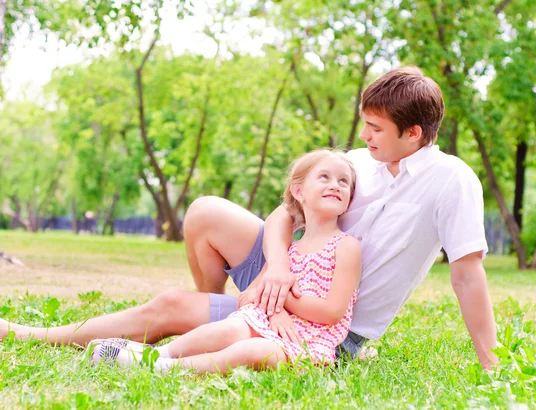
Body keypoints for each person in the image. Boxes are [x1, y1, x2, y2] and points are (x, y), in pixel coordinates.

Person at [0, 66, 496, 368]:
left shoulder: (452, 182)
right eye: (363, 125)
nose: (364, 137)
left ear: (413, 134)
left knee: (171, 306)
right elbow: (287, 211)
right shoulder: (359, 164)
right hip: (288, 278)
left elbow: (468, 277)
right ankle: (210, 314)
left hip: (325, 323)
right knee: (204, 213)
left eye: (375, 129)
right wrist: (276, 265)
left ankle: (207, 325)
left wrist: (491, 367)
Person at [88, 149, 361, 373]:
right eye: (324, 177)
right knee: (229, 329)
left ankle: (164, 368)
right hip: (269, 323)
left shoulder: (346, 247)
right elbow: (251, 295)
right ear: (299, 192)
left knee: (252, 351)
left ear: (349, 198)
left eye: (343, 181)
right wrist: (274, 310)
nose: (334, 185)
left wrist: (280, 298)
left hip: (307, 343)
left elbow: (332, 312)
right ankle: (156, 354)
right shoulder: (287, 249)